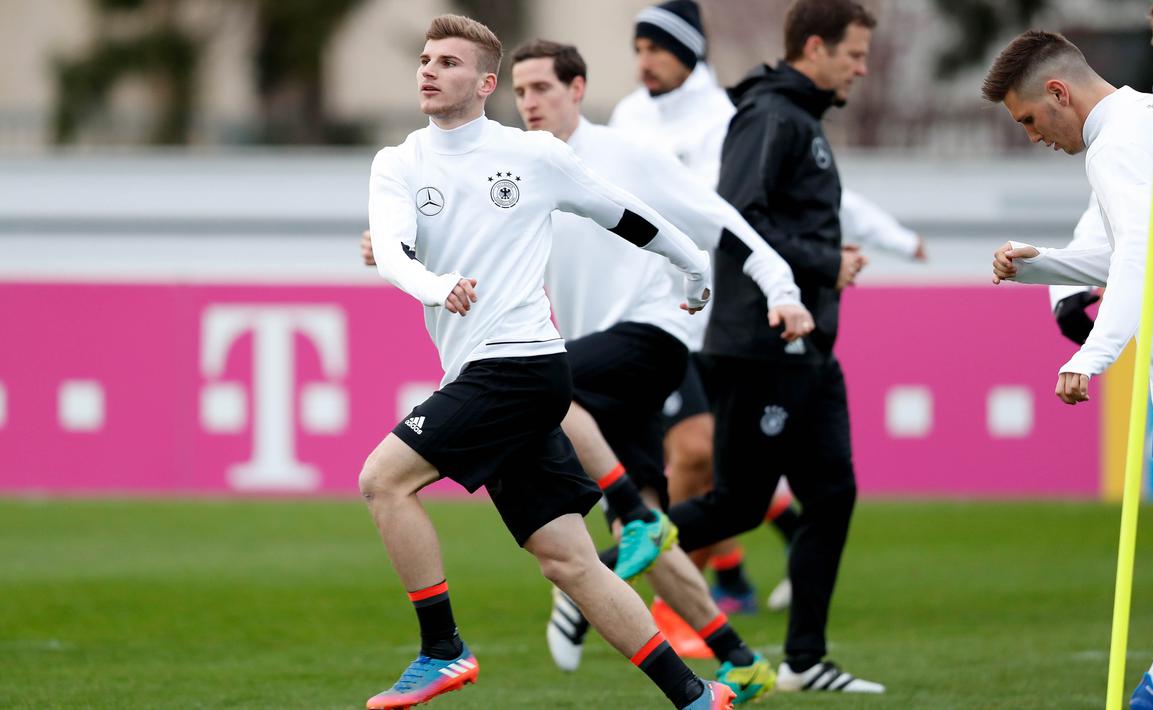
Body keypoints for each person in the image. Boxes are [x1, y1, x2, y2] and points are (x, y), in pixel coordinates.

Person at [361, 14, 734, 710]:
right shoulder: (400, 162)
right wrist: (436, 283)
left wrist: (691, 269)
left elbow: (627, 214)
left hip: (520, 365)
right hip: (487, 373)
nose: (428, 70)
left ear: (483, 82)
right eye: (424, 59)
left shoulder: (533, 155)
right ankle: (694, 696)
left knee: (382, 480)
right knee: (569, 560)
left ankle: (442, 648)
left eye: (447, 61)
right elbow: (390, 249)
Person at [508, 39, 813, 703]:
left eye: (542, 88)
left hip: (651, 336)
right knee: (649, 529)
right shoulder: (521, 170)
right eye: (520, 90)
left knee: (537, 383)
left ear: (578, 88)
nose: (529, 101)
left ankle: (619, 533)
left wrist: (780, 288)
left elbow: (721, 219)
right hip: (598, 369)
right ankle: (738, 659)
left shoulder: (628, 156)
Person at [610, 0, 925, 617]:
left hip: (728, 320)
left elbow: (785, 210)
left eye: (658, 48)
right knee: (724, 478)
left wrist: (889, 241)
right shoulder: (635, 118)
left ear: (690, 51)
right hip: (664, 315)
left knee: (733, 471)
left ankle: (709, 615)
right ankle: (644, 581)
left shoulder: (731, 114)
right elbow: (734, 214)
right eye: (639, 49)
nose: (644, 62)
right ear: (815, 50)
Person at [984, 28, 1153, 710]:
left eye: (1030, 119)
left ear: (1058, 92)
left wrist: (1092, 356)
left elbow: (1139, 259)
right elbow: (1141, 246)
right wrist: (1043, 269)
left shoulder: (1116, 145)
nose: (1033, 135)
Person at [664, 0, 885, 694]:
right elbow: (734, 221)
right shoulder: (770, 117)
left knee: (831, 493)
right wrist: (824, 261)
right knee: (734, 504)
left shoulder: (797, 117)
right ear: (813, 48)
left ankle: (803, 661)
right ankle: (589, 560)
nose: (861, 66)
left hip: (806, 346)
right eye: (852, 53)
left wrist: (823, 260)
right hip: (761, 345)